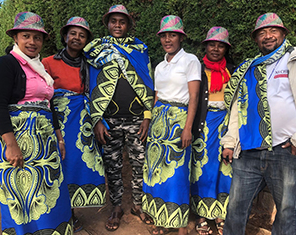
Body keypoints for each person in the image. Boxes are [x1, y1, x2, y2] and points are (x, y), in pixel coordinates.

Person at [221, 13, 296, 235]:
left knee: (286, 211)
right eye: (262, 33)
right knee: (235, 209)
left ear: (283, 34)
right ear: (256, 39)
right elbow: (238, 110)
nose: (267, 36)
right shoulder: (248, 69)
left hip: (285, 151)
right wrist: (230, 141)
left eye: (273, 31)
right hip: (248, 152)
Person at [0, 12, 73, 234]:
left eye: (37, 38)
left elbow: (49, 105)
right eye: (26, 36)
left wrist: (59, 138)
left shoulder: (41, 70)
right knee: (22, 195)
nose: (32, 42)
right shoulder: (5, 64)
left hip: (45, 146)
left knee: (50, 191)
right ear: (15, 38)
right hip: (18, 142)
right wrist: (11, 144)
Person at [84, 4, 154, 231]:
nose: (117, 25)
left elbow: (148, 82)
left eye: (121, 22)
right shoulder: (95, 50)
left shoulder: (139, 49)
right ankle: (116, 206)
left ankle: (138, 204)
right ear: (107, 24)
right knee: (112, 165)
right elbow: (89, 85)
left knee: (139, 163)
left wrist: (147, 115)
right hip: (109, 121)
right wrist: (96, 119)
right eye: (113, 21)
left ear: (128, 25)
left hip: (136, 119)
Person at [42, 17, 105, 233]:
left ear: (87, 39)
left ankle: (71, 213)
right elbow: (44, 96)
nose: (77, 38)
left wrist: (97, 119)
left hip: (82, 121)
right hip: (57, 120)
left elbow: (96, 92)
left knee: (76, 164)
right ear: (65, 36)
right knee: (58, 162)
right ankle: (58, 215)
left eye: (82, 34)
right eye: (73, 33)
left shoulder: (91, 63)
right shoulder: (48, 62)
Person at [142, 15, 201, 235]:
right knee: (157, 172)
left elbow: (194, 97)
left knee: (177, 175)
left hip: (178, 122)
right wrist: (150, 122)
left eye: (172, 35)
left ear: (181, 37)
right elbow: (156, 96)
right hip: (159, 122)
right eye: (164, 35)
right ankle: (161, 219)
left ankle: (181, 226)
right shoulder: (159, 66)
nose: (168, 39)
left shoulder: (190, 60)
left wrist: (188, 128)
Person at [191, 26, 236, 235]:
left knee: (225, 169)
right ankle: (202, 215)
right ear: (206, 46)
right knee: (203, 168)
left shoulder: (232, 71)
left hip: (225, 125)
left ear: (226, 50)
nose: (216, 49)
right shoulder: (197, 69)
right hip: (204, 125)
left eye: (220, 46)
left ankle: (221, 214)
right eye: (212, 45)